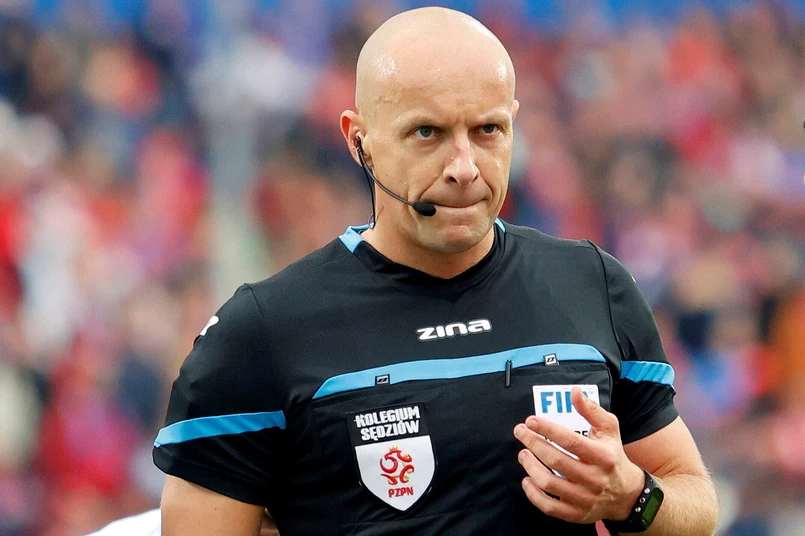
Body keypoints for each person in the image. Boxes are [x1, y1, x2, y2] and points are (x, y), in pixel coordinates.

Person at [154, 7, 718, 535]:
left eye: (488, 130)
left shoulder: (593, 284)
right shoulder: (260, 331)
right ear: (359, 141)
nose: (464, 168)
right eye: (427, 133)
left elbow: (694, 500)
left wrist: (634, 496)